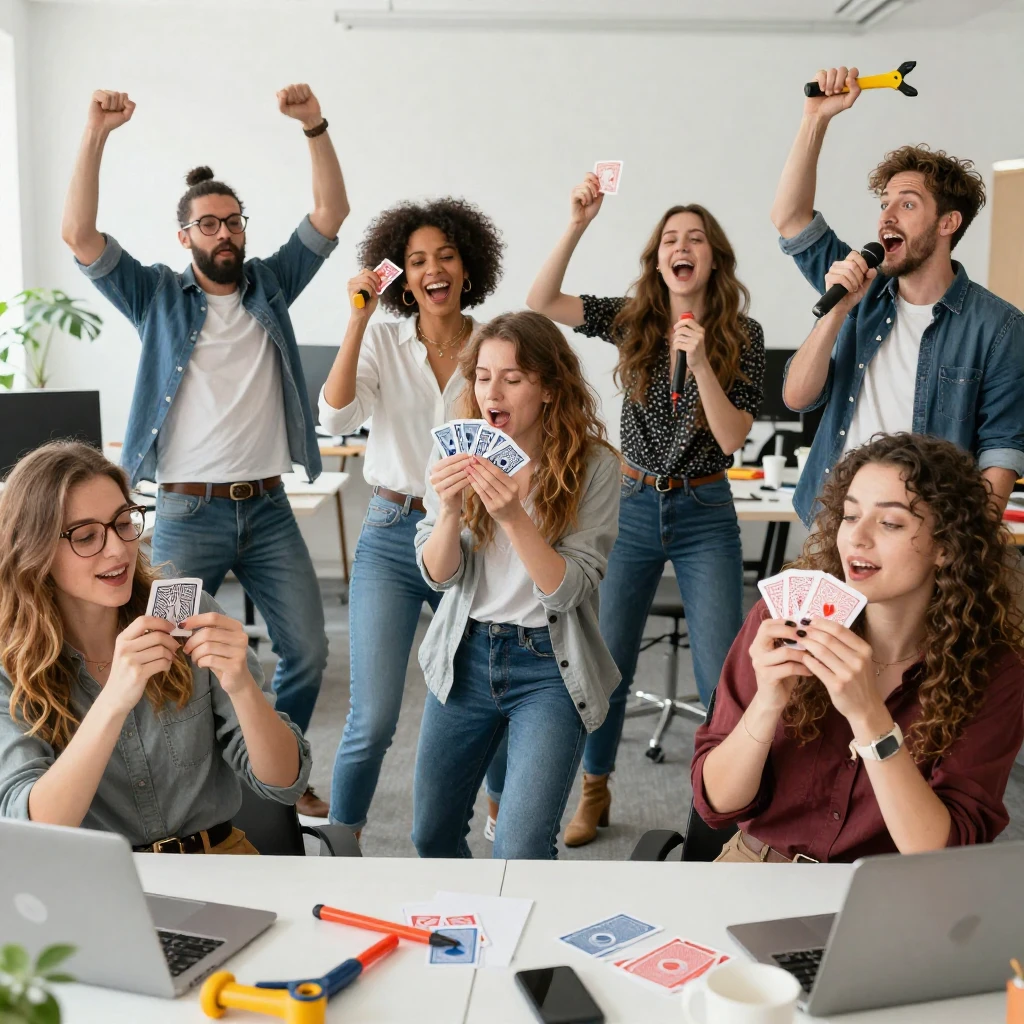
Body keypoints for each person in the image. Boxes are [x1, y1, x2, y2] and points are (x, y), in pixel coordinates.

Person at [61, 86, 349, 817]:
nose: (225, 233)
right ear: (185, 235)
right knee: (165, 650)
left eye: (234, 221)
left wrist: (313, 126)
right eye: (209, 224)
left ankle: (277, 768)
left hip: (270, 509)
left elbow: (330, 214)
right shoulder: (156, 295)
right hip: (188, 516)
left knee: (308, 650)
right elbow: (79, 234)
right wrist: (95, 133)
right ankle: (193, 781)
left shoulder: (271, 285)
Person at [526, 173, 765, 846]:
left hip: (704, 510)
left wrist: (704, 362)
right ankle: (595, 789)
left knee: (722, 672)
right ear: (658, 261)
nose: (681, 247)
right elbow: (541, 301)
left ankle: (719, 810)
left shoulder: (742, 333)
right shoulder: (633, 319)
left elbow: (731, 438)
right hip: (631, 507)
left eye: (695, 239)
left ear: (713, 258)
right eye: (669, 240)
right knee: (607, 661)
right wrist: (578, 223)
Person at [693, 433, 1024, 862]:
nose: (858, 538)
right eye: (850, 516)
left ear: (945, 546)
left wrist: (870, 718)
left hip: (886, 890)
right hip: (757, 868)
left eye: (891, 523)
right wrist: (768, 702)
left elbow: (942, 855)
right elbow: (716, 804)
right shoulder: (779, 622)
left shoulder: (994, 670)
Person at [0, 442, 311, 853]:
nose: (118, 549)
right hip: (100, 876)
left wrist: (243, 688)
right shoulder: (10, 665)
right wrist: (114, 701)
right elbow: (30, 829)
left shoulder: (189, 614)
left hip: (220, 862)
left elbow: (285, 784)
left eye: (123, 522)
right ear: (33, 548)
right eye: (87, 536)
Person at [318, 198, 505, 840]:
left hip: (474, 534)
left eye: (446, 256)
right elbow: (336, 419)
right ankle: (343, 838)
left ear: (468, 268)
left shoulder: (495, 344)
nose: (434, 270)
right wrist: (356, 320)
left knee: (492, 690)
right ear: (401, 277)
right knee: (371, 718)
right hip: (393, 533)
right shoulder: (381, 339)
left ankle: (502, 815)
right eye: (418, 260)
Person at [772, 66, 1024, 527]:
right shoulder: (860, 286)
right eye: (884, 203)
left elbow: (1002, 448)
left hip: (924, 532)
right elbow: (790, 218)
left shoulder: (999, 326)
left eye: (906, 204)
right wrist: (815, 119)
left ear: (947, 223)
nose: (886, 216)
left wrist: (969, 542)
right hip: (832, 520)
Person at [412, 311, 621, 860]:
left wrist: (512, 516)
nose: (492, 392)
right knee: (430, 835)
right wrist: (449, 511)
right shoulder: (455, 450)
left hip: (550, 667)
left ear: (548, 388)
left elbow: (568, 591)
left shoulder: (594, 466)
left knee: (520, 850)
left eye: (513, 378)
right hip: (465, 655)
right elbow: (438, 575)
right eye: (483, 376)